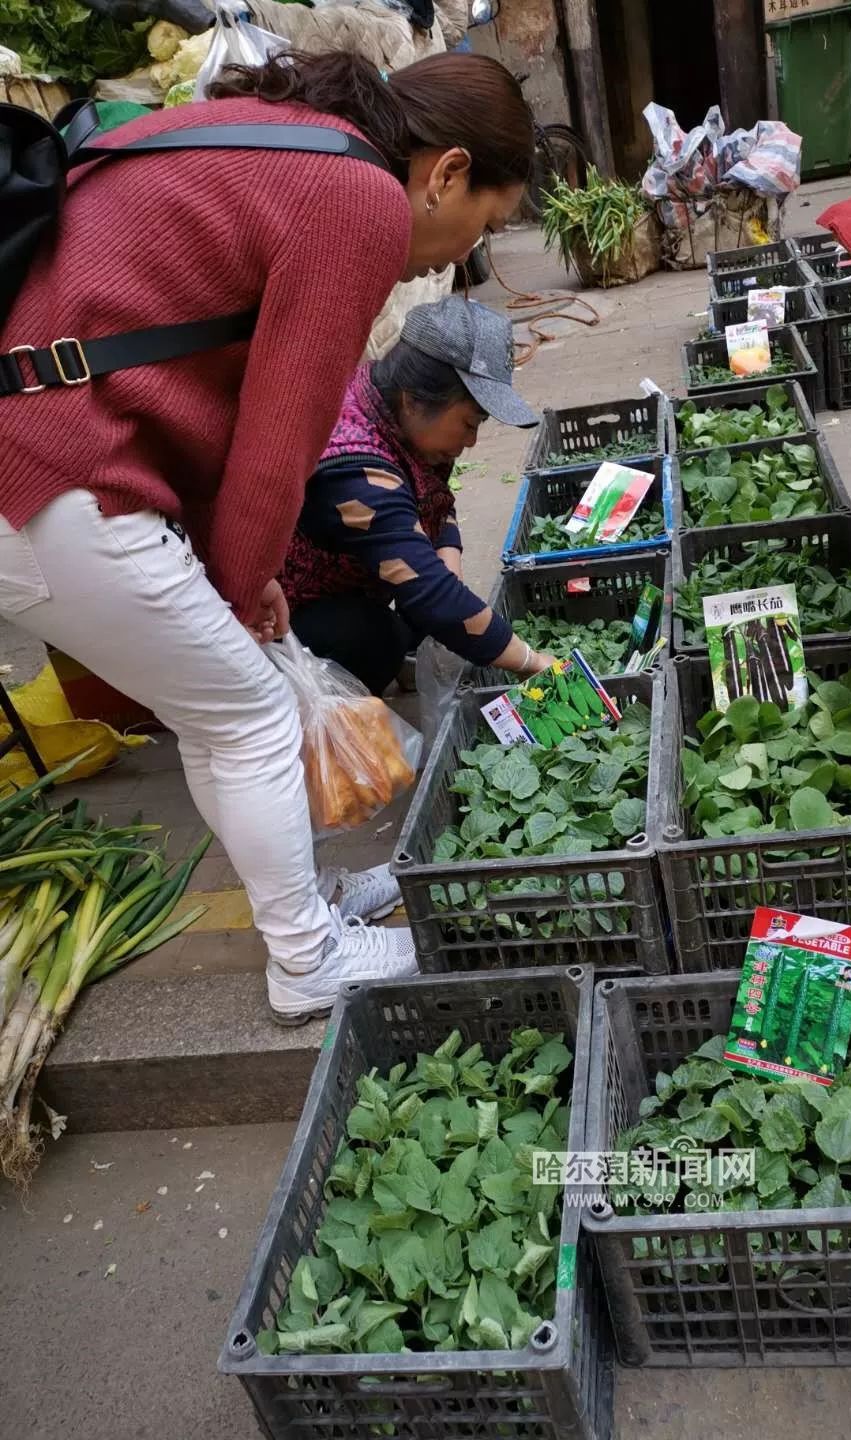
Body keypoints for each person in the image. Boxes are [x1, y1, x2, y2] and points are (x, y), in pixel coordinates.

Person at [0, 49, 534, 1025]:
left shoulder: (256, 136)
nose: (458, 256)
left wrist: (229, 572)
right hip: (56, 476)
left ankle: (305, 919)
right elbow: (277, 438)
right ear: (447, 171)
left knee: (219, 712)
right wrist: (240, 585)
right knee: (250, 715)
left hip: (52, 464)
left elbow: (179, 367)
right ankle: (307, 958)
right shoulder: (356, 195)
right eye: (483, 227)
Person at [282, 296, 555, 694]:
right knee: (377, 640)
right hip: (284, 613)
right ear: (414, 399)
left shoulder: (397, 412)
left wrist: (448, 556)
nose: (473, 440)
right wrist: (530, 661)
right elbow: (430, 594)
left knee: (436, 603)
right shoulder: (353, 467)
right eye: (469, 422)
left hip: (361, 573)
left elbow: (436, 498)